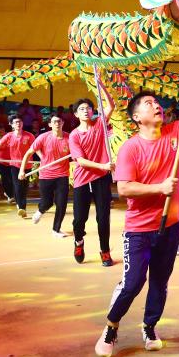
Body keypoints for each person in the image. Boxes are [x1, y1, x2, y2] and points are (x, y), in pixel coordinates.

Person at [94, 65, 179, 356]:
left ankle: (149, 326)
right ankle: (111, 326)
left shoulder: (174, 133)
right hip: (139, 230)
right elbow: (124, 188)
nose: (156, 106)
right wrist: (160, 188)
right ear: (137, 117)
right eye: (149, 104)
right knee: (133, 283)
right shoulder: (130, 148)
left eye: (157, 103)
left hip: (170, 225)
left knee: (160, 280)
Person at [69, 82, 116, 267]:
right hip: (82, 179)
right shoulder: (74, 135)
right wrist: (102, 165)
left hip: (101, 179)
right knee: (79, 219)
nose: (86, 111)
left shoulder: (99, 125)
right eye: (81, 109)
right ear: (76, 114)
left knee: (103, 217)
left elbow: (111, 105)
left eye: (88, 108)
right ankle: (78, 241)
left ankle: (105, 251)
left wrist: (101, 86)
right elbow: (80, 161)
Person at [20, 115, 70, 238]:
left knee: (61, 203)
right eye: (54, 121)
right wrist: (21, 170)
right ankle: (40, 210)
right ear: (50, 125)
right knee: (47, 203)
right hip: (46, 175)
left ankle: (56, 230)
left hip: (62, 175)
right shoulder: (43, 137)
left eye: (59, 121)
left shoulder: (69, 138)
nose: (57, 123)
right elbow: (28, 153)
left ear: (63, 123)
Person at [0, 117, 35, 217]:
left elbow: (36, 148)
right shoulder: (9, 136)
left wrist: (43, 158)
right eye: (16, 122)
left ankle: (19, 203)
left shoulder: (29, 136)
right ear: (11, 124)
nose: (18, 124)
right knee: (17, 186)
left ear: (22, 123)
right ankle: (22, 208)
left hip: (27, 165)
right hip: (14, 165)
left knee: (24, 187)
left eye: (20, 121)